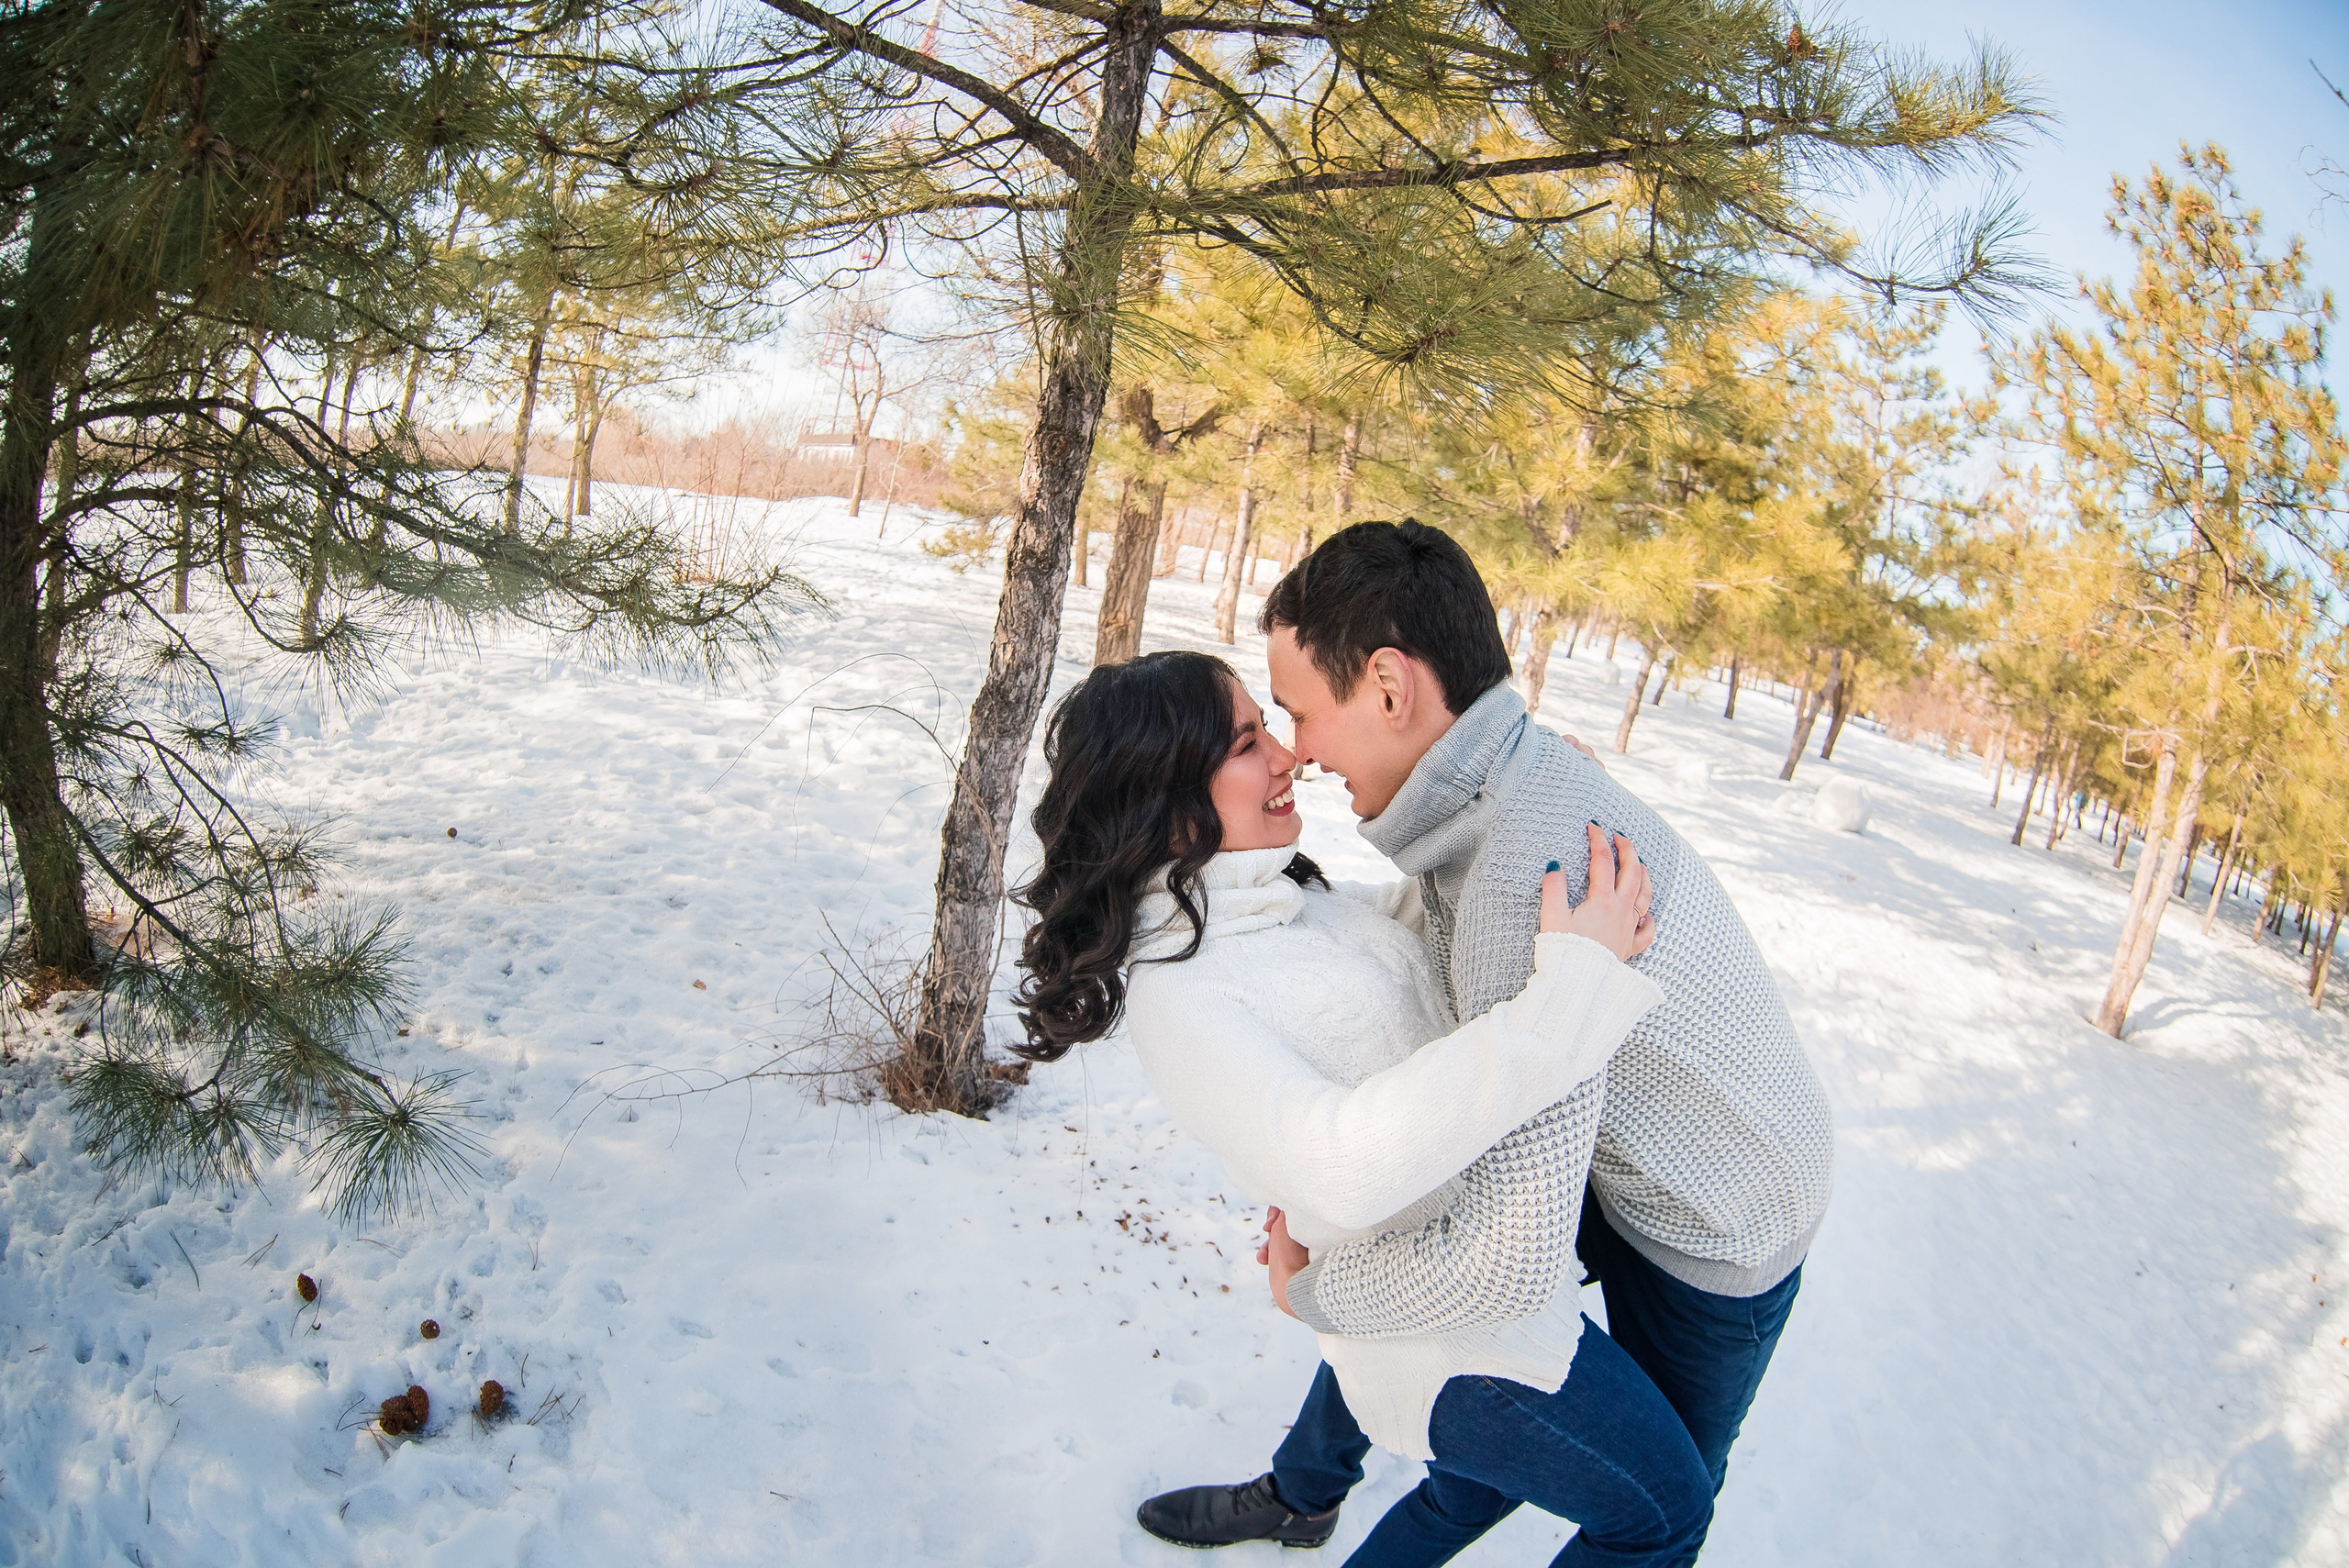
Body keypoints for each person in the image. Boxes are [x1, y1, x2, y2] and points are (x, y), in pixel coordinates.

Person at [1140, 520, 1835, 1552]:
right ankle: (1307, 1487)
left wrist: (1312, 1288)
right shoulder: (1492, 783)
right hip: (1620, 1156)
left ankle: (1332, 1490)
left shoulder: (1529, 875)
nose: (1298, 748)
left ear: (1387, 687)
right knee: (1457, 1339)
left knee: (1652, 1509)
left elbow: (1493, 1260)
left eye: (1297, 709)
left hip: (1713, 1223)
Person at [1012, 650, 1715, 1567]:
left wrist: (1523, 812)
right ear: (1169, 797)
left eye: (1267, 725)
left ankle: (1311, 1511)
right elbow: (1341, 1159)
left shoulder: (1280, 897)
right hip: (1460, 1342)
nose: (1285, 755)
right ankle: (1301, 1497)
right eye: (1245, 741)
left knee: (1468, 1489)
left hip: (1498, 1267)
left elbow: (1419, 930)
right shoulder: (1182, 990)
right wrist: (1566, 999)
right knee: (1661, 1515)